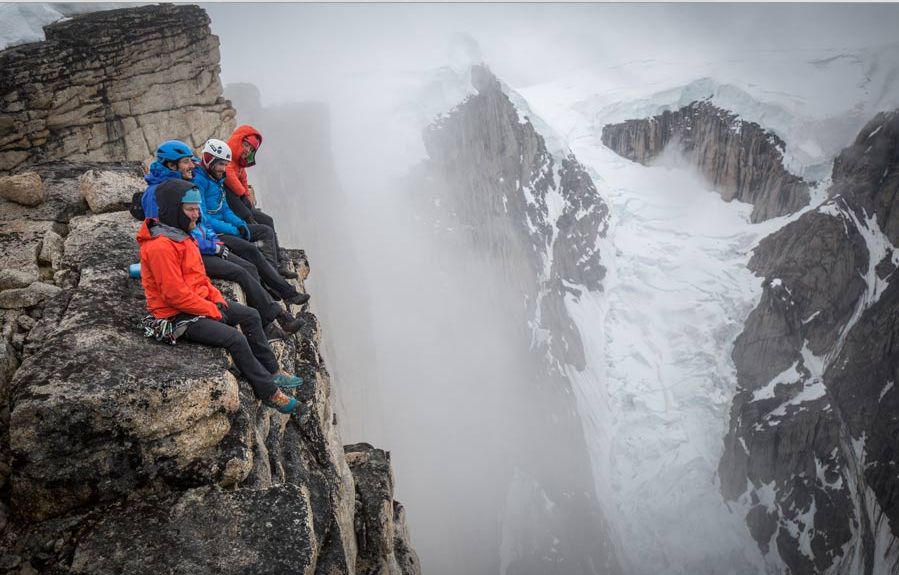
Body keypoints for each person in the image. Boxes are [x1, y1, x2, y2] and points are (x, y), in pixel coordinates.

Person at [136, 178, 303, 414]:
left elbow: (200, 277)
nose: (196, 215)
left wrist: (216, 298)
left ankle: (273, 372)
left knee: (251, 315)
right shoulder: (161, 247)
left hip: (198, 303)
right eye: (191, 209)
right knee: (235, 339)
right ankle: (270, 393)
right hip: (176, 316)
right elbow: (174, 295)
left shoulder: (183, 237)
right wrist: (211, 310)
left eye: (197, 209)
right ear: (175, 209)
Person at [141, 140, 306, 337]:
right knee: (242, 271)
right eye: (186, 162)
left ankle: (275, 318)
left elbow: (201, 223)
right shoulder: (158, 194)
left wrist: (217, 241)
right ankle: (273, 321)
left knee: (249, 266)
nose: (192, 166)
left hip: (201, 248)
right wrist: (214, 246)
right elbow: (170, 233)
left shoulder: (184, 186)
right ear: (171, 165)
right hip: (189, 255)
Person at [193, 138, 308, 305]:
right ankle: (285, 291)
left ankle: (274, 277)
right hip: (214, 233)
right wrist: (233, 229)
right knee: (251, 251)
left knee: (264, 231)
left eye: (225, 165)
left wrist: (240, 224)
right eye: (220, 164)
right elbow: (204, 218)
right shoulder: (199, 181)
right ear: (209, 160)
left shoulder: (216, 179)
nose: (223, 169)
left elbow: (224, 208)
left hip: (225, 228)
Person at [223, 125, 295, 279]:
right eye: (246, 144)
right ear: (238, 140)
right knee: (263, 227)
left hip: (240, 205)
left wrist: (246, 195)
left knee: (268, 221)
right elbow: (228, 175)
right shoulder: (226, 156)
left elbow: (243, 179)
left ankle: (280, 261)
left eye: (251, 148)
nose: (248, 150)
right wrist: (243, 195)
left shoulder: (240, 163)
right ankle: (272, 269)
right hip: (232, 209)